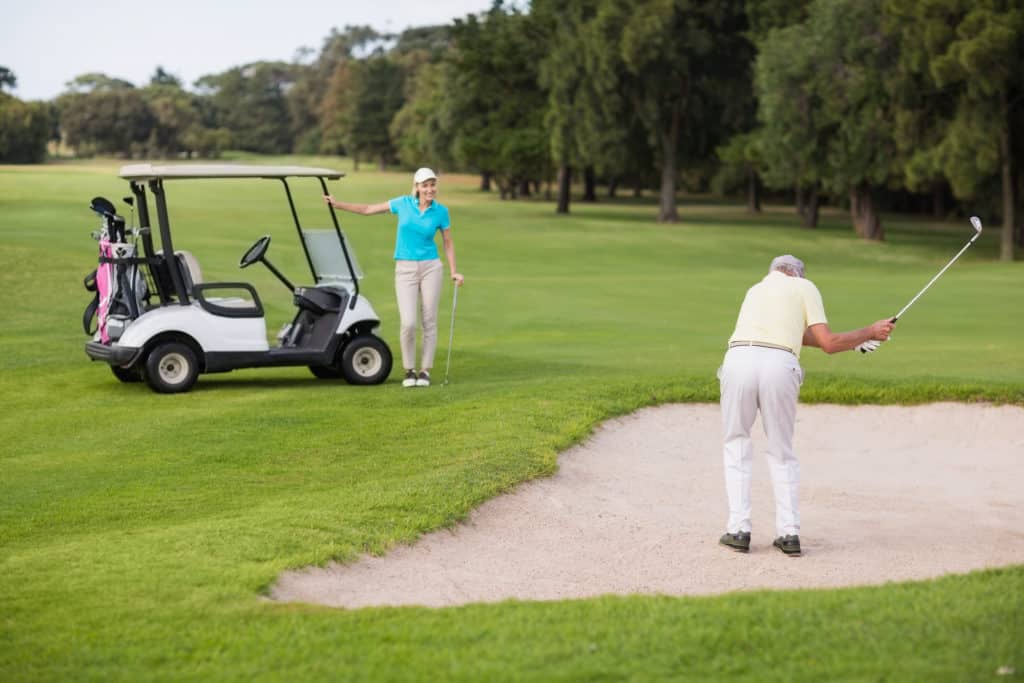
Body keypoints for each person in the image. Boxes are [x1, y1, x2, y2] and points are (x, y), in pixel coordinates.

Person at [717, 255, 894, 556]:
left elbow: (794, 334)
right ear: (797, 274)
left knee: (736, 442)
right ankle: (788, 534)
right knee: (781, 450)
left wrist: (854, 341)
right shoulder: (804, 286)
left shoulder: (756, 289)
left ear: (773, 272)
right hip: (778, 366)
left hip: (737, 362)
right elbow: (827, 342)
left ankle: (738, 530)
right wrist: (869, 331)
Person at [325, 167, 464, 387]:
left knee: (429, 321)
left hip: (431, 268)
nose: (430, 189)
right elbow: (369, 209)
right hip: (405, 268)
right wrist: (338, 204)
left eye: (432, 185)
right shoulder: (403, 203)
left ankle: (425, 371)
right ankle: (409, 370)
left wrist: (454, 270)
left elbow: (448, 242)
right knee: (408, 322)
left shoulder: (441, 212)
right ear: (417, 187)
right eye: (425, 185)